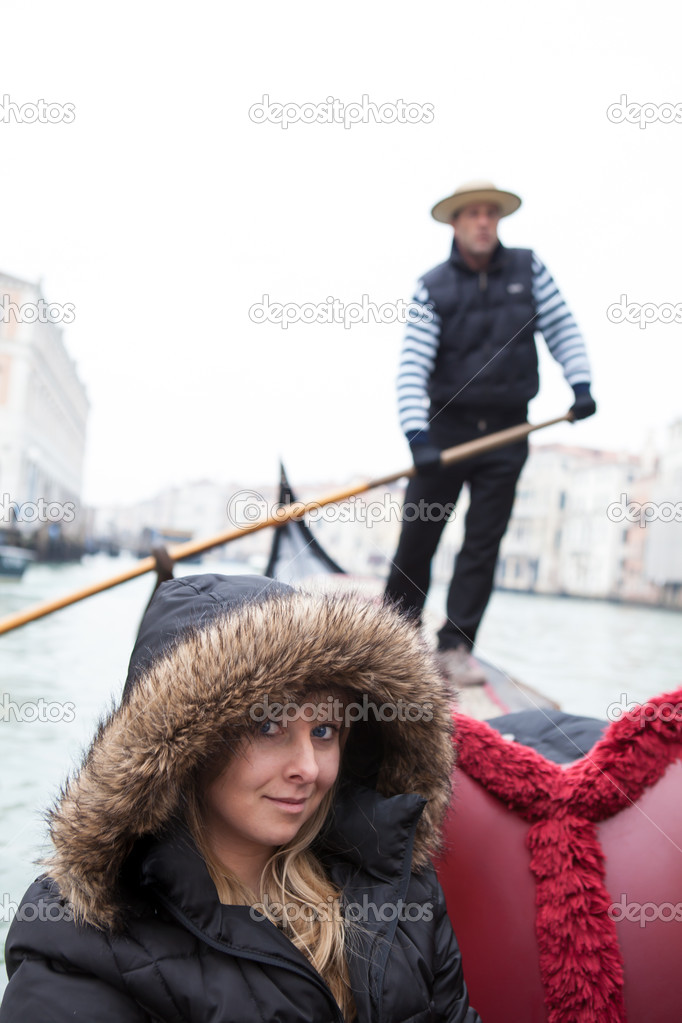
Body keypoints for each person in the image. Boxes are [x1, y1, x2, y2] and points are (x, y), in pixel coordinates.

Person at [1, 573, 481, 1022]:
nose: (309, 769)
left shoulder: (394, 879)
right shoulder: (79, 942)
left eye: (324, 730)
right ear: (189, 745)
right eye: (269, 727)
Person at [385, 180, 596, 686]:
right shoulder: (430, 285)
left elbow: (562, 327)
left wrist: (581, 382)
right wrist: (418, 436)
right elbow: (412, 365)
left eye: (490, 214)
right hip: (448, 428)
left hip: (508, 429)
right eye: (472, 214)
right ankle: (395, 637)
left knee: (484, 541)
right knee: (419, 535)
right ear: (455, 224)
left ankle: (456, 646)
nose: (483, 222)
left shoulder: (529, 268)